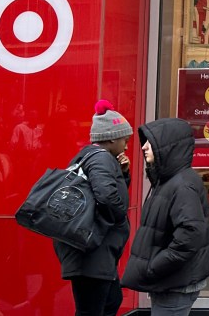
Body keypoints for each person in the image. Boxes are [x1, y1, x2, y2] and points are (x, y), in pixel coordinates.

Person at [122, 118, 209, 315]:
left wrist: (155, 266)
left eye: (151, 142)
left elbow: (190, 234)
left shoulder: (182, 185)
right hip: (171, 281)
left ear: (168, 147)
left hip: (175, 284)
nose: (144, 147)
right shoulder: (168, 181)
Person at [56, 100, 134, 316]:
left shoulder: (91, 157)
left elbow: (107, 193)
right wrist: (120, 218)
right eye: (125, 140)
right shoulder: (101, 160)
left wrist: (123, 174)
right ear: (112, 138)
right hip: (93, 253)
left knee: (111, 301)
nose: (126, 146)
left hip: (95, 253)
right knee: (93, 309)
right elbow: (107, 197)